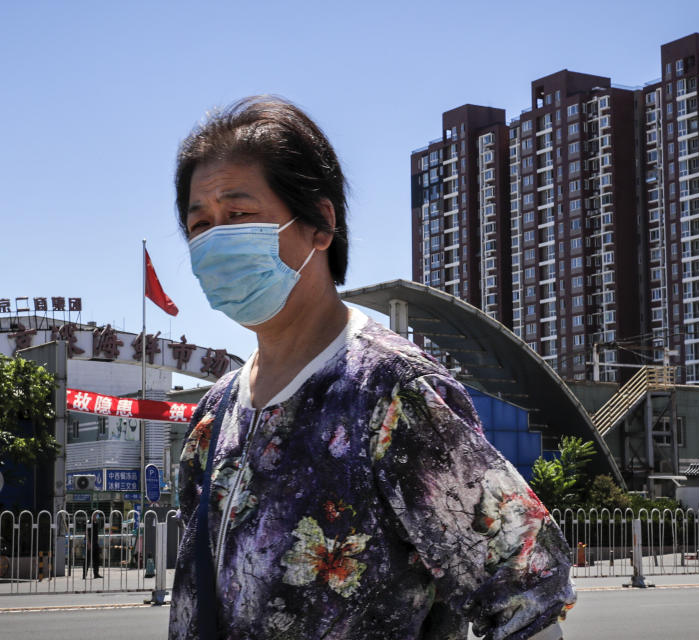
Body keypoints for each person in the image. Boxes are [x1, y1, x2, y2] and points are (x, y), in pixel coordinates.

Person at [168, 96, 575, 640]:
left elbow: (527, 588)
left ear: (320, 222)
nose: (216, 240)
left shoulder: (392, 393)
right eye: (200, 224)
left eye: (239, 215)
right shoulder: (214, 414)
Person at [83, 513, 102, 579]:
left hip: (95, 543)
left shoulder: (95, 523)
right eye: (96, 515)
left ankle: (96, 574)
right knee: (87, 560)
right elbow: (87, 533)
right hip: (90, 543)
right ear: (92, 515)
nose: (97, 516)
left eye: (97, 515)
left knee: (96, 559)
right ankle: (84, 575)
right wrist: (88, 543)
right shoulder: (89, 523)